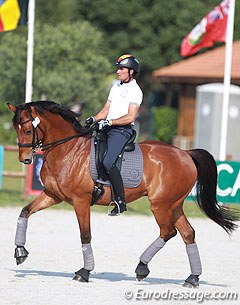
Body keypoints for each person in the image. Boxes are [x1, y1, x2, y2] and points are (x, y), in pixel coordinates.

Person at [85, 54, 143, 216]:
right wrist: (93, 119)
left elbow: (131, 116)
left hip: (122, 130)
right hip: (107, 127)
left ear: (131, 72)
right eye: (118, 68)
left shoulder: (135, 91)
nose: (118, 72)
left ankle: (120, 201)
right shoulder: (116, 87)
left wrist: (110, 122)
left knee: (109, 161)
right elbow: (105, 110)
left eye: (121, 68)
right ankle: (97, 187)